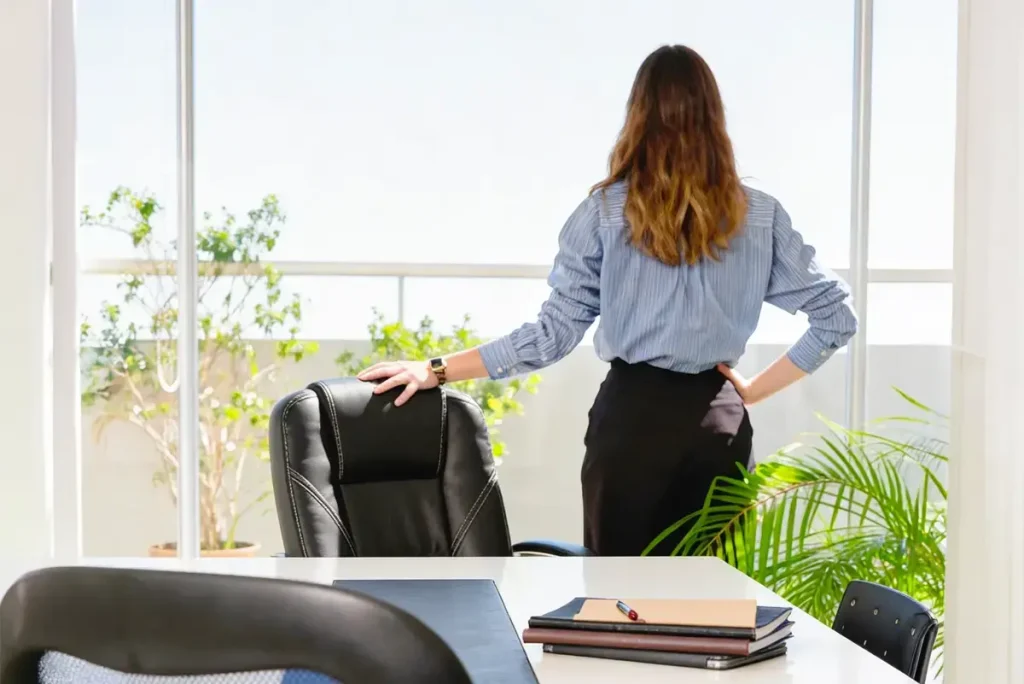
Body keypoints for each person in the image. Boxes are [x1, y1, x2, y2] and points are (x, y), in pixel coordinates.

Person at [358, 44, 858, 557]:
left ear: (637, 116)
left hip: (631, 426)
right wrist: (750, 392)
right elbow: (836, 318)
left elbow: (549, 337)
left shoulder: (604, 211)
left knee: (619, 609)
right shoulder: (760, 216)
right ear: (714, 116)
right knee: (716, 616)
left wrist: (435, 369)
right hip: (720, 428)